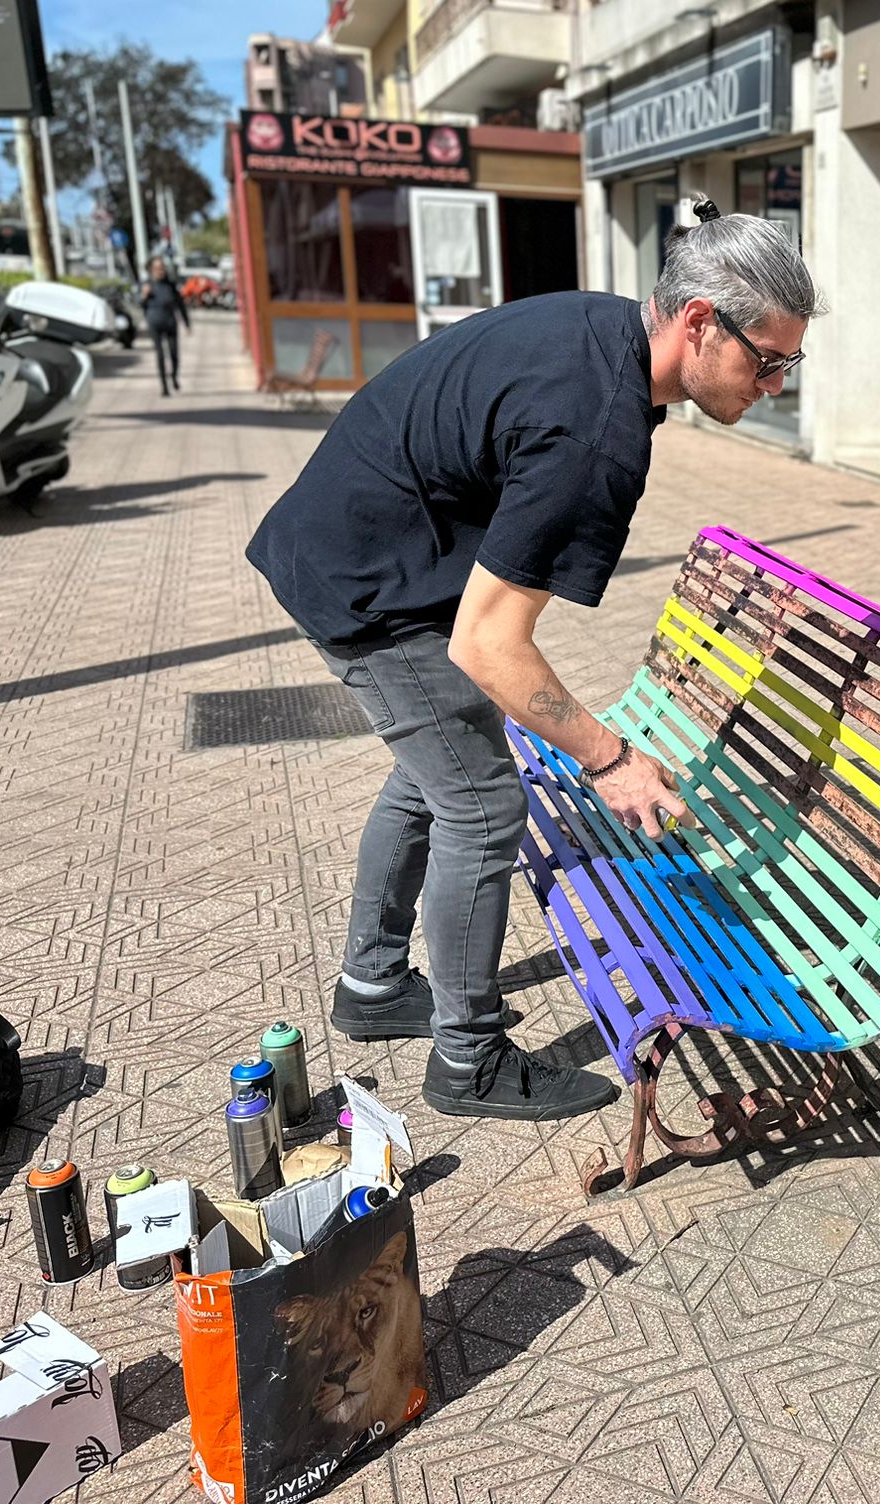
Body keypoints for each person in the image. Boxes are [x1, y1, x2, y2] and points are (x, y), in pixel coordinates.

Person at [246, 195, 821, 1122]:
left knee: (437, 767)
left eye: (789, 362)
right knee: (481, 801)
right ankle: (467, 1060)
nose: (776, 386)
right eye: (768, 361)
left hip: (363, 547)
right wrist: (613, 759)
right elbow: (488, 643)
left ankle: (371, 985)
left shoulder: (601, 329)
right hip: (367, 581)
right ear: (699, 322)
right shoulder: (597, 430)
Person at [139, 258, 190, 396]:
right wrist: (144, 296)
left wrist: (187, 323)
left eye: (162, 267)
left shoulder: (170, 284)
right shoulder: (147, 285)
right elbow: (140, 306)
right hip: (155, 322)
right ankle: (164, 387)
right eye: (157, 268)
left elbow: (180, 305)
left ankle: (173, 377)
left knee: (174, 353)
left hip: (170, 322)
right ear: (151, 270)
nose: (160, 270)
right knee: (160, 355)